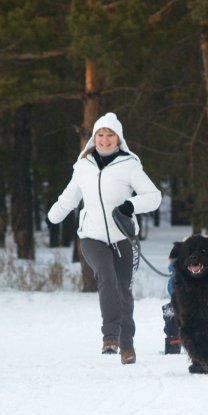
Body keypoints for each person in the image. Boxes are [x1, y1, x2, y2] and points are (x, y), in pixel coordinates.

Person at [47, 112, 161, 365]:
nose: (105, 139)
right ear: (94, 138)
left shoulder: (130, 165)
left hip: (123, 238)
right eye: (100, 134)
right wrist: (54, 215)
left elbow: (154, 197)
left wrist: (131, 206)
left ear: (118, 139)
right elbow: (70, 198)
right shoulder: (83, 166)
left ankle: (127, 344)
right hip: (91, 236)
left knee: (123, 291)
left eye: (110, 135)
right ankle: (110, 337)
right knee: (106, 278)